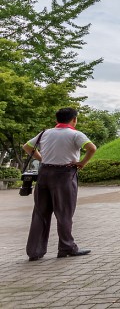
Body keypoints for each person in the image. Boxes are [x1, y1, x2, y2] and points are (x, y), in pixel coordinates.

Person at [22, 107, 97, 261]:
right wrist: (82, 163)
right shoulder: (75, 134)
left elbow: (27, 146)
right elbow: (92, 148)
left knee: (40, 213)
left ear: (57, 120)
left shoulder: (45, 133)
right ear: (74, 119)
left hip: (44, 174)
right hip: (64, 175)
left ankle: (34, 251)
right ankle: (66, 247)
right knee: (64, 212)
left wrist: (42, 159)